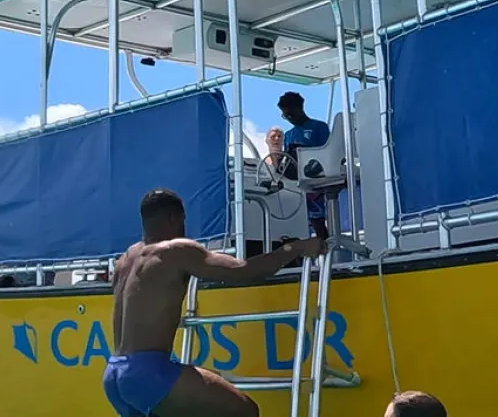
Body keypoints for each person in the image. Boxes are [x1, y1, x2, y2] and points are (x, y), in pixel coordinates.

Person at [103, 188, 322, 417]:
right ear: (173, 218)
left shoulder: (125, 260)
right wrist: (295, 248)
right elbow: (244, 270)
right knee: (245, 410)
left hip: (114, 375)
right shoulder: (176, 250)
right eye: (183, 221)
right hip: (149, 375)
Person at [277, 92, 331, 240]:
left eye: (291, 114)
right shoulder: (289, 135)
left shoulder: (319, 127)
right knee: (299, 221)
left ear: (300, 108)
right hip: (297, 184)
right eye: (285, 116)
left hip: (317, 182)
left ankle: (327, 250)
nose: (289, 119)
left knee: (318, 221)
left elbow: (327, 152)